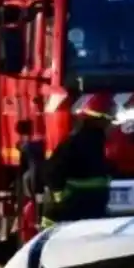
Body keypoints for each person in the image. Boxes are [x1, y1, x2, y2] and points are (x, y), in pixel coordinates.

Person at [42, 98, 113, 228]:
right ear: (97, 122)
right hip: (81, 200)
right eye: (108, 122)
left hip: (76, 201)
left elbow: (53, 170)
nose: (110, 125)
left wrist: (58, 196)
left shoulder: (76, 142)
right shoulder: (94, 143)